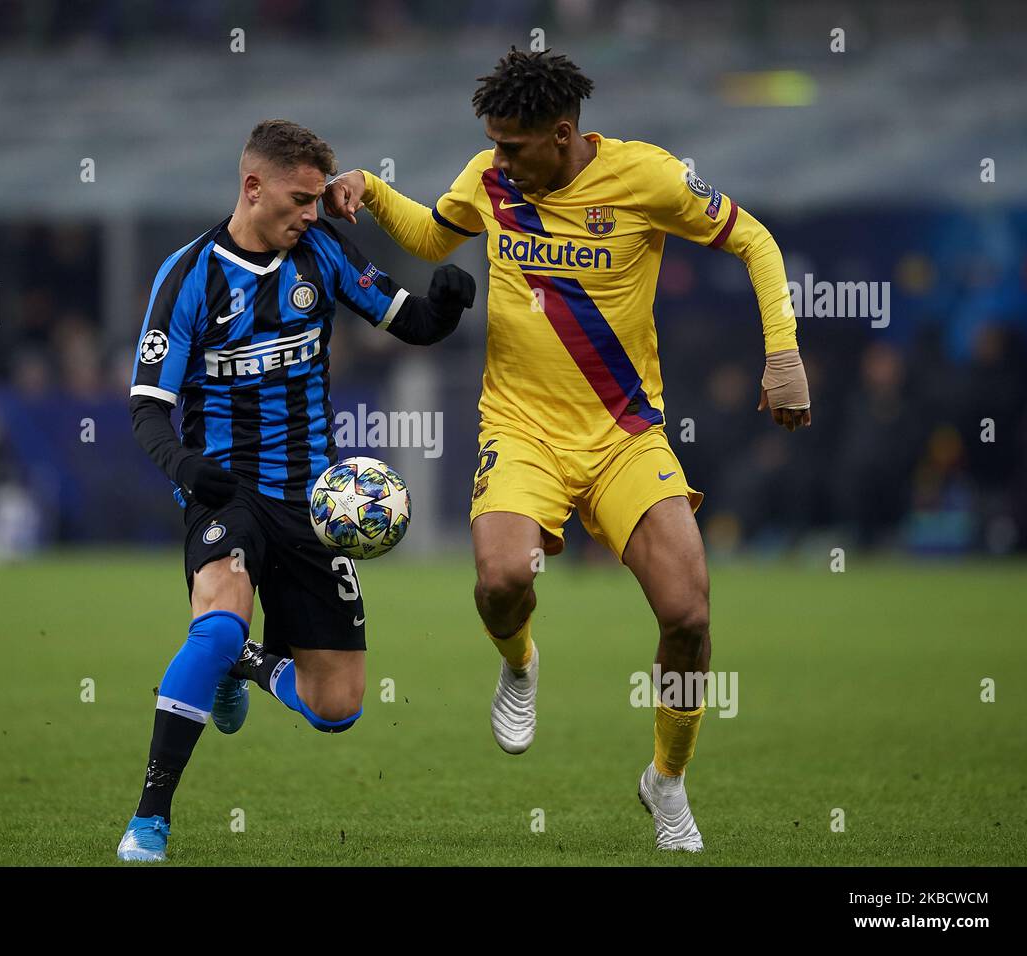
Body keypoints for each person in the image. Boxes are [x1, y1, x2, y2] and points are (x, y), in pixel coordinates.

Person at [322, 50, 811, 852]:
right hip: (522, 430)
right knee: (502, 581)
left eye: (513, 146)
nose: (499, 158)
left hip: (624, 436)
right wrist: (370, 189)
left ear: (563, 133)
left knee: (688, 615)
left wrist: (783, 353)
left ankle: (667, 783)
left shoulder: (647, 179)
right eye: (493, 145)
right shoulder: (491, 179)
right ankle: (519, 663)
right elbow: (432, 238)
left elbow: (753, 239)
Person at [117, 119, 476, 861]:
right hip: (226, 493)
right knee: (215, 624)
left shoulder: (320, 253)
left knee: (336, 708)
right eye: (300, 199)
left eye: (317, 199)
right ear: (253, 187)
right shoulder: (188, 276)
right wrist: (185, 469)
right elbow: (148, 406)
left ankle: (247, 665)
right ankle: (150, 818)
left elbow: (403, 316)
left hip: (317, 501)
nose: (312, 214)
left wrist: (443, 307)